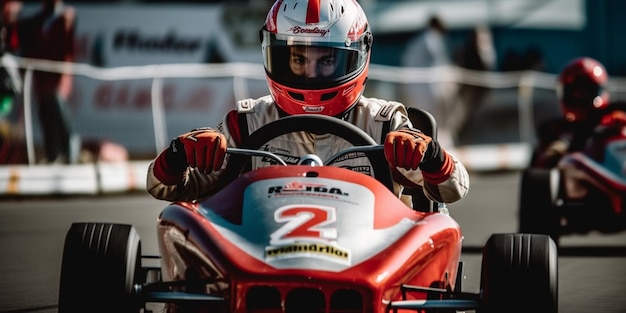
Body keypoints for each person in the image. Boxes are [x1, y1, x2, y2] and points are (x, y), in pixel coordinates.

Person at [147, 0, 469, 207]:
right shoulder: (249, 122)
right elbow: (163, 187)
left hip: (365, 261)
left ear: (357, 55)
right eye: (299, 59)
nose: (312, 73)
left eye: (327, 60)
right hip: (263, 260)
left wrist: (430, 156)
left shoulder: (382, 123)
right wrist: (180, 156)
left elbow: (453, 189)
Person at [2, 0, 79, 164]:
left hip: (58, 79)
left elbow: (67, 47)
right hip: (41, 79)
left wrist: (64, 76)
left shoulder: (66, 16)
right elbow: (26, 38)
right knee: (46, 119)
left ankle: (71, 155)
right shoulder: (39, 20)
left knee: (61, 118)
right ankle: (54, 156)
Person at [531, 57, 626, 168]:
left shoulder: (616, 120)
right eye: (574, 92)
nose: (579, 96)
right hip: (578, 178)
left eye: (585, 92)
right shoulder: (555, 131)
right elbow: (541, 170)